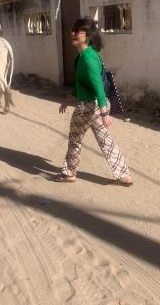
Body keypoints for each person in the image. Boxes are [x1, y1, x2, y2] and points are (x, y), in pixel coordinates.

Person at [56, 17, 133, 186]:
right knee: (105, 140)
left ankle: (69, 172)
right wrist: (69, 99)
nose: (73, 34)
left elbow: (97, 86)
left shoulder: (87, 59)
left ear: (88, 36)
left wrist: (105, 113)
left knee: (75, 138)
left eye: (78, 31)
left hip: (89, 106)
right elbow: (83, 84)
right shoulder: (88, 55)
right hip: (97, 105)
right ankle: (123, 175)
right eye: (73, 30)